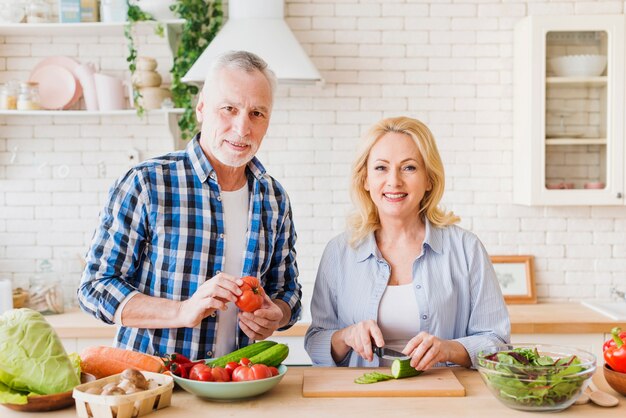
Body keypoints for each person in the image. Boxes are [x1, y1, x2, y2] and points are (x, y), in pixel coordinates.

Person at [78, 51, 302, 360]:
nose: (242, 127)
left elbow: (287, 291)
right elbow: (95, 288)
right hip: (154, 384)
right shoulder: (147, 183)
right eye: (229, 109)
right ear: (201, 109)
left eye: (257, 113)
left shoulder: (274, 198)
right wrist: (182, 311)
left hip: (237, 383)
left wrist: (275, 314)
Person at [305, 116, 509, 370]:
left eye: (409, 167)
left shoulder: (467, 249)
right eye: (381, 168)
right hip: (361, 399)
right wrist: (346, 336)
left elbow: (497, 343)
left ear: (429, 179)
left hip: (444, 399)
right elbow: (315, 343)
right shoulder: (339, 252)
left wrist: (450, 349)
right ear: (365, 179)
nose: (394, 181)